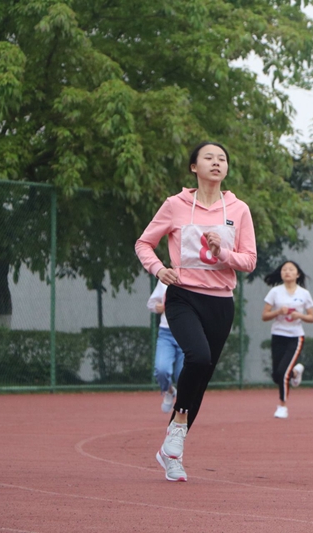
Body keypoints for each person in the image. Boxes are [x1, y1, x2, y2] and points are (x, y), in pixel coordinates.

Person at [135, 141, 257, 482]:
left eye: (222, 159)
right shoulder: (175, 205)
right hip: (183, 296)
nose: (216, 163)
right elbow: (143, 243)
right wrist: (159, 269)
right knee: (198, 357)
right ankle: (177, 428)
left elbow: (249, 260)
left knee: (201, 376)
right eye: (209, 158)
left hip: (220, 302)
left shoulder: (239, 209)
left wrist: (223, 254)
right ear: (194, 166)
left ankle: (172, 451)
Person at [261, 260, 313, 419]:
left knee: (283, 373)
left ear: (297, 274)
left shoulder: (304, 294)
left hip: (295, 336)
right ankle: (296, 372)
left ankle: (282, 406)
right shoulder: (275, 292)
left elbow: (312, 317)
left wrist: (300, 315)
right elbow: (265, 316)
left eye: (291, 269)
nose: (287, 272)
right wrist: (278, 312)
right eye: (284, 269)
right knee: (276, 375)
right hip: (278, 335)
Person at [147, 280, 185, 413]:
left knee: (183, 375)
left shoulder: (195, 278)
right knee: (161, 369)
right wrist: (158, 307)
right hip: (166, 334)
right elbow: (151, 304)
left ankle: (182, 410)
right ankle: (169, 391)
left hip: (187, 333)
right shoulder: (165, 280)